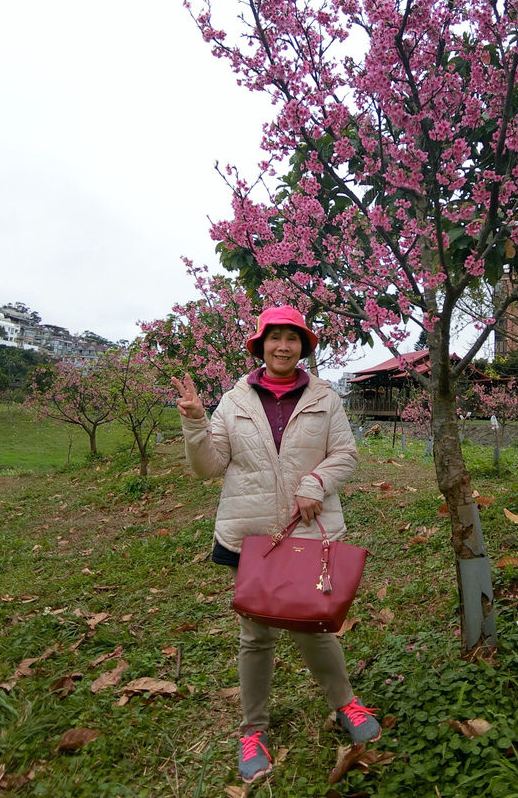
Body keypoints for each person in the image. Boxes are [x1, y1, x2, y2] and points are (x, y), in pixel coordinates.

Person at [171, 305, 380, 784]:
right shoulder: (234, 400)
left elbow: (345, 453)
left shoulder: (325, 397)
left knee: (315, 626)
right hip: (251, 535)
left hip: (307, 529)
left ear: (304, 347)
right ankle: (254, 729)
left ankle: (344, 703)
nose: (282, 346)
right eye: (273, 337)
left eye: (292, 338)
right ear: (259, 345)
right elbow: (207, 467)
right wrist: (195, 423)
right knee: (257, 633)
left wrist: (316, 481)